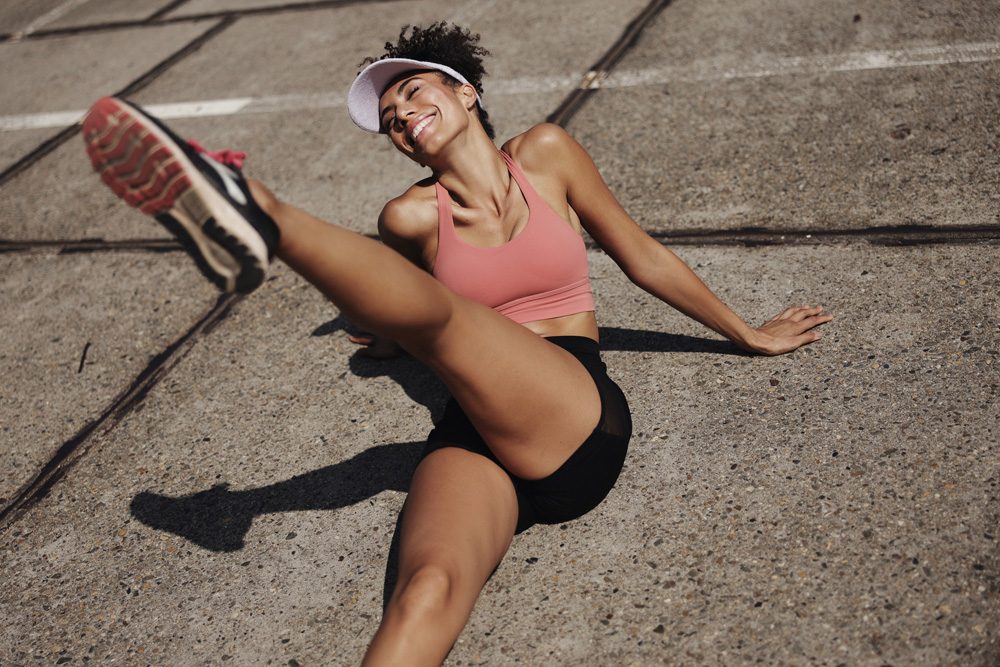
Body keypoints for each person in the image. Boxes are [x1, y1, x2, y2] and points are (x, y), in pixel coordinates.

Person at [82, 22, 830, 666]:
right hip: (470, 432)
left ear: (466, 92)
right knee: (423, 593)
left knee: (446, 321)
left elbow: (641, 257)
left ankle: (259, 210)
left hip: (571, 415)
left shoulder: (546, 153)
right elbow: (407, 303)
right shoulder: (408, 218)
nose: (404, 118)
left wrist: (748, 334)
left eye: (413, 94)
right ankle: (244, 211)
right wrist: (385, 339)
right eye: (391, 121)